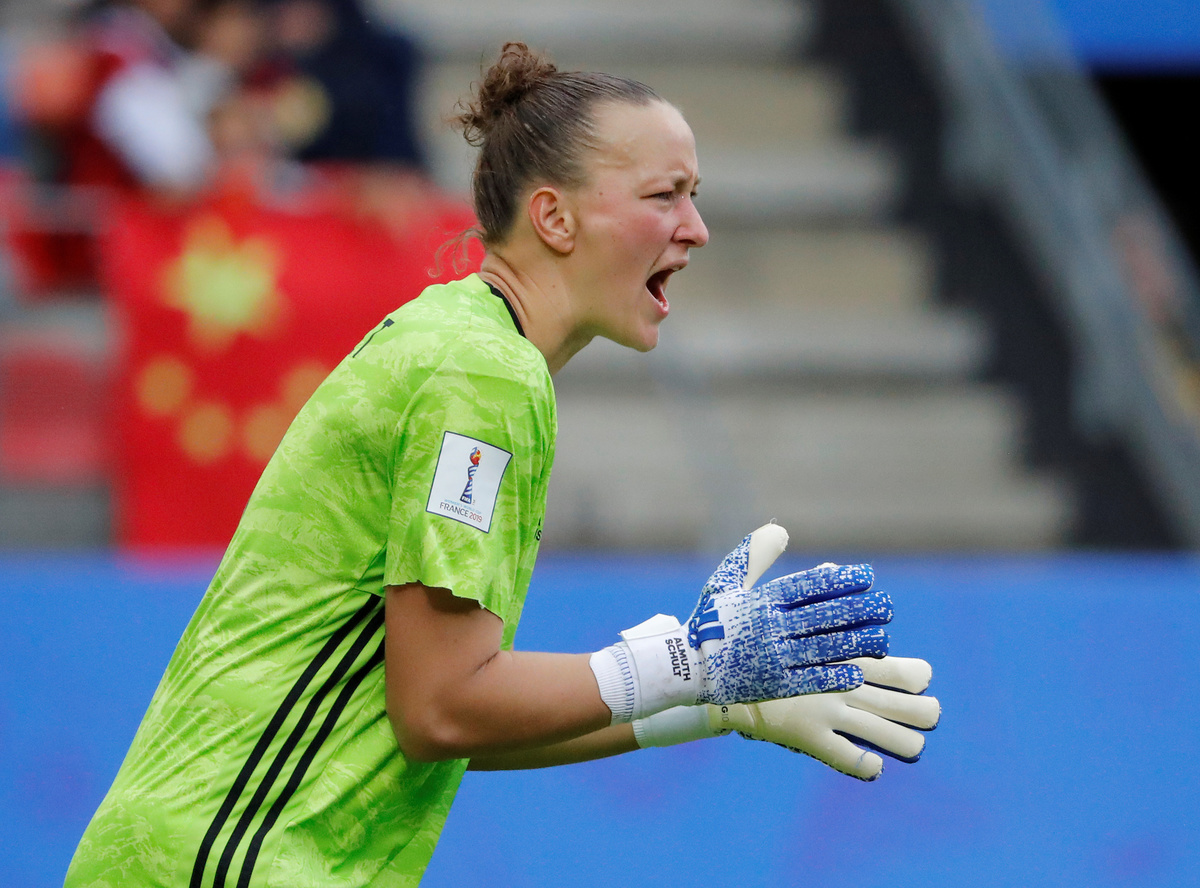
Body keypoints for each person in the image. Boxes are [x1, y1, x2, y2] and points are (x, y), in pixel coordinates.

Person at [64, 43, 935, 887]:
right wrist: (690, 663)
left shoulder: (469, 345)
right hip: (233, 860)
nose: (696, 229)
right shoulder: (484, 374)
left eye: (694, 196)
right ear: (554, 218)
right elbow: (442, 707)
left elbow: (436, 722)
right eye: (664, 195)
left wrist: (707, 703)